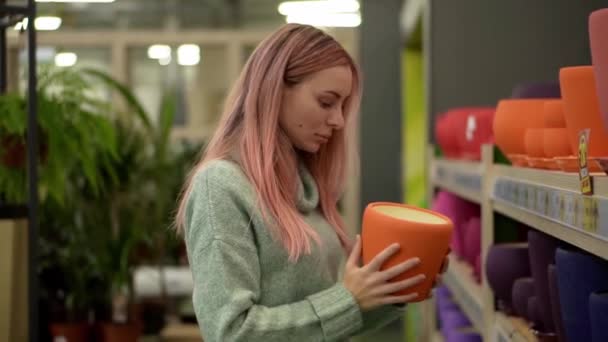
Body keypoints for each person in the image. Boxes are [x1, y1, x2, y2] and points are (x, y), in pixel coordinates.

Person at [174, 23, 448, 341]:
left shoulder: (305, 188)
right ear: (275, 90)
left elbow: (329, 326)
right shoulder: (220, 187)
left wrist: (391, 289)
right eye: (326, 102)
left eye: (343, 106)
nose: (338, 120)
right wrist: (347, 299)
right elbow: (231, 332)